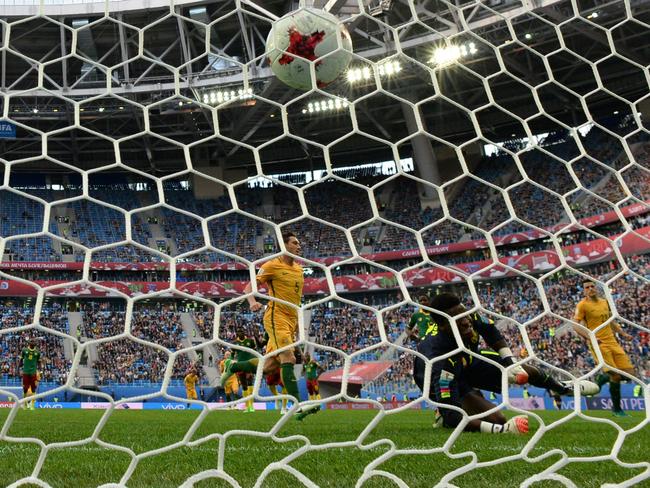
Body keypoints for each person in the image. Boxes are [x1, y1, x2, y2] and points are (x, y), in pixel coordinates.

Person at [413, 293, 598, 434]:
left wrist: (511, 363)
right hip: (445, 375)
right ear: (444, 326)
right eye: (459, 319)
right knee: (497, 419)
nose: (467, 321)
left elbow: (492, 332)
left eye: (466, 314)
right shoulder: (440, 361)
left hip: (469, 359)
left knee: (523, 370)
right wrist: (502, 430)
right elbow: (453, 417)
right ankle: (441, 411)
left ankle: (563, 388)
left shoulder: (467, 316)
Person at [221, 232, 317, 420]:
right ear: (284, 245)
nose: (299, 246)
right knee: (288, 358)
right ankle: (297, 406)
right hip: (276, 316)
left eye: (299, 243)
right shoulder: (272, 265)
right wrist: (252, 301)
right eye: (295, 243)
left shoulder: (298, 269)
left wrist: (297, 327)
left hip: (291, 319)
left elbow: (295, 299)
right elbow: (249, 287)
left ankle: (233, 366)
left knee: (269, 366)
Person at [574, 280, 635, 417]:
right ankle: (617, 409)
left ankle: (601, 379)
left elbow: (610, 321)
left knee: (630, 373)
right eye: (587, 287)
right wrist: (591, 338)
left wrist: (623, 334)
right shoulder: (582, 305)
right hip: (599, 344)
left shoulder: (604, 302)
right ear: (584, 291)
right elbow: (575, 325)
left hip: (613, 341)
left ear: (596, 288)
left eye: (592, 286)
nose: (590, 289)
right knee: (615, 375)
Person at [234, 329, 258, 413]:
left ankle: (251, 406)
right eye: (238, 332)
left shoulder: (250, 341)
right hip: (240, 365)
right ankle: (247, 406)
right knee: (244, 385)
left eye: (242, 332)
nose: (240, 333)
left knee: (250, 383)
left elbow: (255, 350)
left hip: (249, 364)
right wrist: (233, 360)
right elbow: (233, 353)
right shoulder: (235, 343)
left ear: (244, 333)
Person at [20, 338, 42, 411]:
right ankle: (25, 403)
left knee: (33, 388)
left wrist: (40, 369)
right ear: (29, 343)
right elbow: (21, 359)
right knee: (25, 389)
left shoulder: (37, 352)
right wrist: (19, 367)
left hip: (33, 372)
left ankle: (32, 405)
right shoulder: (24, 350)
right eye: (31, 341)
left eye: (34, 342)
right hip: (26, 372)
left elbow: (39, 361)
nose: (33, 343)